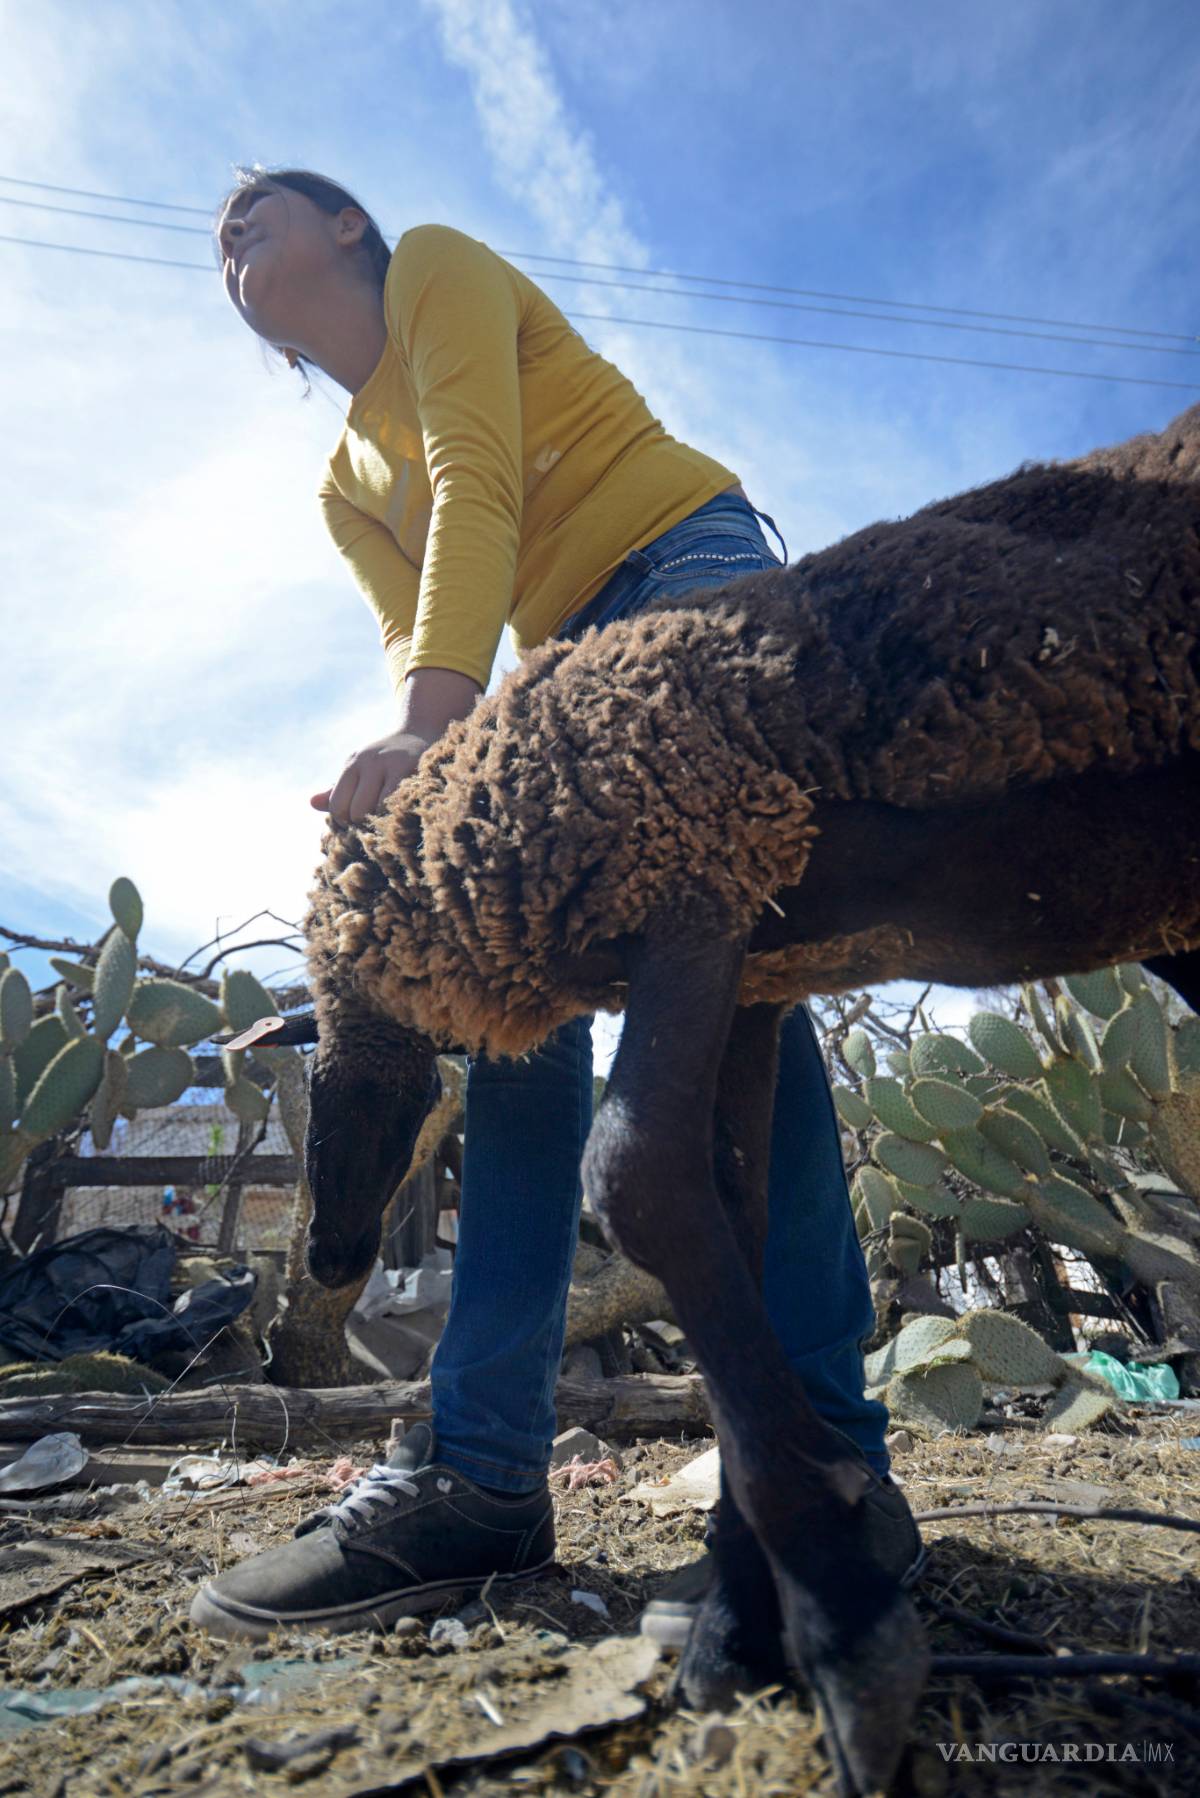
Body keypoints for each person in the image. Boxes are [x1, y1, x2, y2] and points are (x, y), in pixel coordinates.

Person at [191, 169, 921, 1644]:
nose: (231, 243)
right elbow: (418, 635)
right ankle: (480, 1471)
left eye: (258, 213)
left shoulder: (440, 272)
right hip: (546, 667)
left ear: (347, 226)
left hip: (689, 570)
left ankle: (829, 1452)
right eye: (218, 247)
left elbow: (480, 476)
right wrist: (418, 779)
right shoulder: (341, 482)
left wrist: (432, 727)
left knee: (741, 992)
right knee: (501, 988)